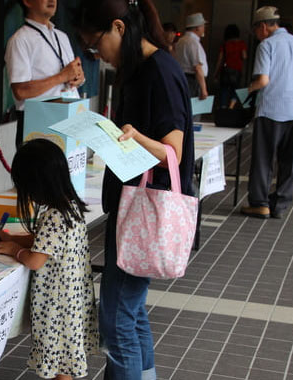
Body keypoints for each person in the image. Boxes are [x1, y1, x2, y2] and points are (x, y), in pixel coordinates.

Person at [76, 0, 194, 378]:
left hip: (144, 210)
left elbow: (171, 153)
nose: (99, 56)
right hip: (132, 206)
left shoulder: (159, 71)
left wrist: (132, 136)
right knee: (129, 311)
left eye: (97, 45)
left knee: (116, 318)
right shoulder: (139, 69)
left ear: (118, 28)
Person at [0, 139, 99, 379]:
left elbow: (35, 261)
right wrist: (12, 238)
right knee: (65, 361)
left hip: (57, 305)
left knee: (60, 365)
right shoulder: (69, 206)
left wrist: (13, 250)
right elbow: (45, 242)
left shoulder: (54, 216)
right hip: (72, 299)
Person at [240, 6, 293, 219]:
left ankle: (260, 203)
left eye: (255, 30)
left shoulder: (267, 45)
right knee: (289, 159)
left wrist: (245, 92)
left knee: (263, 159)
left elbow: (262, 80)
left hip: (272, 109)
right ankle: (280, 204)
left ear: (262, 26)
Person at [5, 0, 85, 148]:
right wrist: (62, 76)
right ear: (27, 2)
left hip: (71, 119)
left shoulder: (62, 36)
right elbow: (20, 91)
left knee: (68, 171)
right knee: (40, 170)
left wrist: (78, 78)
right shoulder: (20, 40)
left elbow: (71, 74)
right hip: (38, 123)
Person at [175, 12, 209, 100]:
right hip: (192, 81)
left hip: (181, 78)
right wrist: (203, 89)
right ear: (197, 27)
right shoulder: (193, 42)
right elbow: (197, 68)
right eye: (203, 26)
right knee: (194, 110)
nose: (204, 28)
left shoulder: (180, 41)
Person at [213, 24, 247, 108]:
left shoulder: (225, 44)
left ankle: (223, 107)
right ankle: (231, 107)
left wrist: (216, 74)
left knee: (224, 90)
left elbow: (220, 60)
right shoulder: (241, 43)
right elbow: (244, 56)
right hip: (237, 70)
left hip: (226, 70)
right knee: (235, 90)